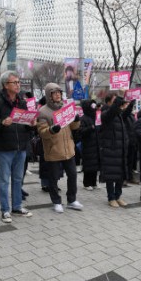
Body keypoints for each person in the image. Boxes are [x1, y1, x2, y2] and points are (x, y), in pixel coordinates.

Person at [0, 71, 33, 223]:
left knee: (18, 179)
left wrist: (32, 124)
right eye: (15, 82)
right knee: (4, 180)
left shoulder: (22, 102)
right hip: (4, 148)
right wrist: (1, 123)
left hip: (21, 147)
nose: (18, 85)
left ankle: (17, 207)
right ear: (6, 85)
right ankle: (5, 210)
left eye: (19, 82)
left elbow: (25, 125)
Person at [37, 83, 84, 213]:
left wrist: (76, 120)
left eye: (59, 92)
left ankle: (72, 200)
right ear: (49, 95)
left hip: (68, 148)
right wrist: (51, 130)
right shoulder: (43, 111)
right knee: (53, 177)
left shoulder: (66, 107)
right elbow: (42, 132)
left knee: (73, 175)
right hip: (53, 149)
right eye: (54, 93)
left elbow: (74, 128)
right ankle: (56, 201)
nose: (58, 95)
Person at [100, 93, 130, 207]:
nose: (118, 102)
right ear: (109, 102)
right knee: (110, 175)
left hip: (120, 148)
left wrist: (130, 103)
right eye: (115, 100)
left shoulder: (119, 114)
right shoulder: (105, 113)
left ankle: (118, 196)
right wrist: (119, 101)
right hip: (110, 149)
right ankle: (111, 197)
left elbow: (126, 113)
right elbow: (112, 112)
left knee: (120, 175)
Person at [79, 99, 100, 191]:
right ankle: (86, 183)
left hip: (96, 144)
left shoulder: (95, 117)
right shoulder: (83, 118)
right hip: (87, 145)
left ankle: (94, 182)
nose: (93, 108)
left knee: (95, 165)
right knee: (88, 165)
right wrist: (90, 128)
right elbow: (81, 131)